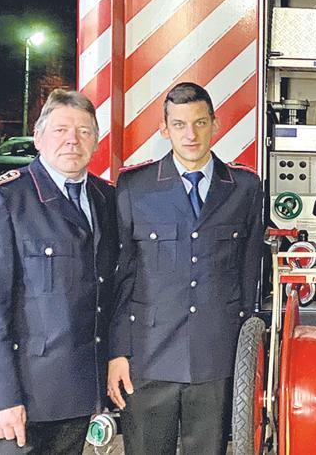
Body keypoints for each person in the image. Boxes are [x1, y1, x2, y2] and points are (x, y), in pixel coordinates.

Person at [106, 82, 264, 455]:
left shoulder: (244, 187)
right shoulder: (134, 186)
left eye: (199, 122)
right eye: (179, 124)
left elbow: (250, 273)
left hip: (215, 356)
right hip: (148, 356)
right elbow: (121, 276)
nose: (190, 134)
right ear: (164, 129)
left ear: (215, 124)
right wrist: (117, 353)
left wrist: (246, 356)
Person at [0, 90, 118, 454]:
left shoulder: (105, 198)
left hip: (77, 393)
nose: (72, 140)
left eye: (84, 131)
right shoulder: (1, 199)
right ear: (38, 137)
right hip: (21, 400)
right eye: (61, 130)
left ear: (95, 141)